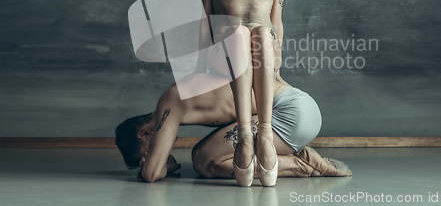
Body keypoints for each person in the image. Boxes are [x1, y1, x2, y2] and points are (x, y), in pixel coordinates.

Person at [196, 0, 287, 187]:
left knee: (261, 31)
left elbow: (276, 19)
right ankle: (245, 136)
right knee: (238, 31)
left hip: (262, 51)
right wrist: (202, 61)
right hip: (227, 48)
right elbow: (206, 16)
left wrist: (278, 62)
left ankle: (264, 136)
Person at [115, 74, 352, 183]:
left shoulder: (167, 103)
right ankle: (295, 157)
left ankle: (301, 164)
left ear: (145, 134)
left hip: (290, 112)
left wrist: (154, 164)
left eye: (145, 153)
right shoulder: (176, 106)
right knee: (208, 154)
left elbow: (152, 174)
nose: (152, 155)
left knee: (203, 160)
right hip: (299, 110)